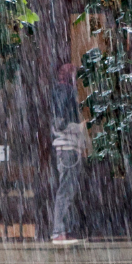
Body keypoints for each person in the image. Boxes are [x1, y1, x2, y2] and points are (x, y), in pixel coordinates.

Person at [49, 62, 84, 246]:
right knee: (66, 190)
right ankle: (58, 231)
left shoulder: (61, 92)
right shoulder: (65, 91)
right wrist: (79, 128)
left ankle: (62, 229)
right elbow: (60, 123)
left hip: (67, 148)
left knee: (68, 190)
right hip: (67, 148)